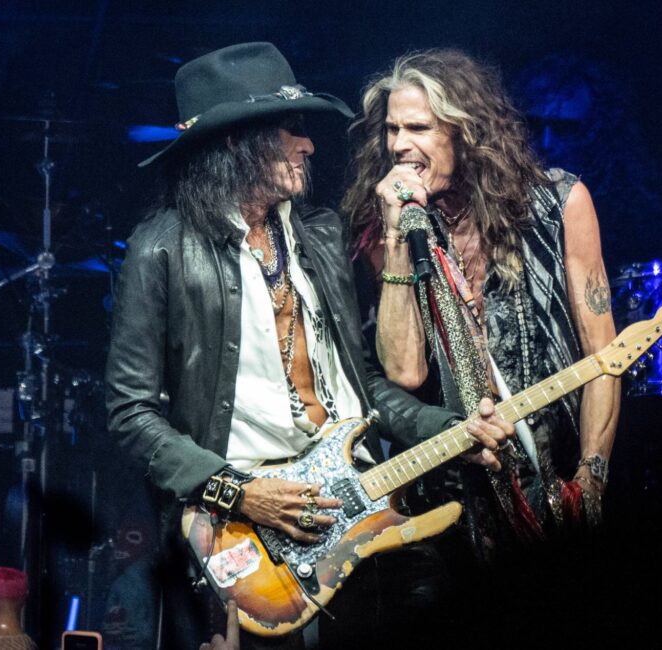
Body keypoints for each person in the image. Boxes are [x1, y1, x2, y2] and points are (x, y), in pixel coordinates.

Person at [104, 42, 512, 650]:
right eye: (291, 129)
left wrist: (449, 428)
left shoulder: (319, 236)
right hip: (251, 530)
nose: (309, 145)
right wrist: (240, 492)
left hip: (358, 503)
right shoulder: (163, 248)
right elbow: (131, 412)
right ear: (237, 143)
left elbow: (363, 385)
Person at [343, 49, 621, 550]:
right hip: (453, 501)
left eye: (418, 128)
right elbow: (405, 373)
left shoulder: (558, 205)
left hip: (556, 480)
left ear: (466, 132)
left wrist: (592, 477)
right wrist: (396, 233)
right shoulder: (385, 228)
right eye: (392, 129)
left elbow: (604, 357)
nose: (399, 146)